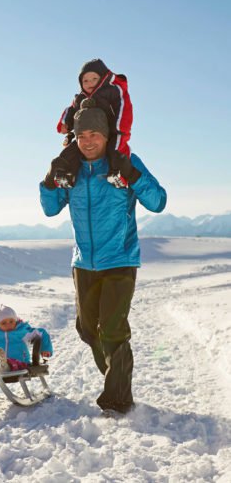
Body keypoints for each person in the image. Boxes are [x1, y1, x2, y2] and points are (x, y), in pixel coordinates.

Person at [40, 98, 167, 415]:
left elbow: (158, 201)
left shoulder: (123, 162)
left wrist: (133, 174)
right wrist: (49, 180)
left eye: (95, 134)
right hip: (83, 263)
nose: (88, 141)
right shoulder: (72, 169)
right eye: (82, 136)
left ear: (107, 135)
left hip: (120, 260)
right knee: (87, 330)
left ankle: (118, 397)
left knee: (111, 329)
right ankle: (116, 375)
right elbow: (50, 208)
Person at [55, 58, 133, 189]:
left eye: (94, 79)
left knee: (117, 151)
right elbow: (70, 110)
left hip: (113, 131)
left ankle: (119, 174)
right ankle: (67, 175)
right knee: (70, 152)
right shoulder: (80, 98)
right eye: (85, 80)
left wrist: (120, 127)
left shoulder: (113, 91)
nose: (89, 83)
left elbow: (124, 106)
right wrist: (64, 123)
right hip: (86, 134)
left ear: (103, 78)